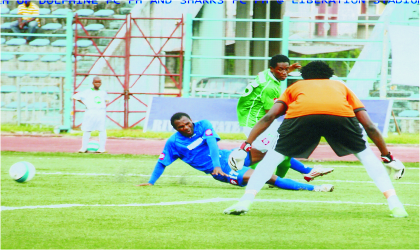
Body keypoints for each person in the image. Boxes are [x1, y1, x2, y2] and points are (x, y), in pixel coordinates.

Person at [224, 61, 408, 218]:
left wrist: (245, 146)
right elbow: (369, 126)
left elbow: (269, 117)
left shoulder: (295, 87)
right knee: (366, 156)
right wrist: (387, 156)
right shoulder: (341, 87)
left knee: (272, 158)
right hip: (340, 117)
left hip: (301, 118)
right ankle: (395, 204)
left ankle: (245, 202)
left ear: (304, 76)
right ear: (330, 75)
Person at [137, 112, 334, 192]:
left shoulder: (203, 124)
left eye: (188, 123)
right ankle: (316, 189)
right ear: (176, 128)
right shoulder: (173, 143)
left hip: (228, 157)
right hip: (223, 172)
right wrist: (151, 181)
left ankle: (307, 171)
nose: (186, 127)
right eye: (181, 126)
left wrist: (216, 163)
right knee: (268, 177)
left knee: (273, 151)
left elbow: (213, 145)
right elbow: (162, 162)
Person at [236, 54, 333, 181]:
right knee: (275, 150)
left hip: (255, 119)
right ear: (272, 69)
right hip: (255, 123)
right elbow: (271, 113)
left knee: (280, 148)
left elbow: (271, 114)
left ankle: (284, 178)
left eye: (286, 69)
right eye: (280, 70)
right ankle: (232, 170)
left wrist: (288, 69)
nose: (284, 73)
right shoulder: (270, 88)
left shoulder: (265, 74)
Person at [72, 77, 109, 153]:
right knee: (87, 129)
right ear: (93, 83)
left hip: (101, 112)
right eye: (96, 82)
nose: (97, 84)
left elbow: (106, 100)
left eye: (99, 82)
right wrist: (86, 104)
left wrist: (103, 105)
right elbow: (75, 97)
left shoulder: (103, 92)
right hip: (91, 111)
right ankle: (83, 148)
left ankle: (102, 148)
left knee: (102, 129)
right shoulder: (88, 91)